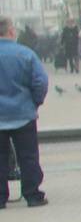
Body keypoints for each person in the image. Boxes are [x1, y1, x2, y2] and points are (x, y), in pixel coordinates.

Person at [0, 16, 50, 209]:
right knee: (28, 156)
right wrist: (34, 102)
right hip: (22, 113)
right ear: (11, 32)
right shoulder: (25, 54)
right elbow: (41, 81)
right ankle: (32, 195)